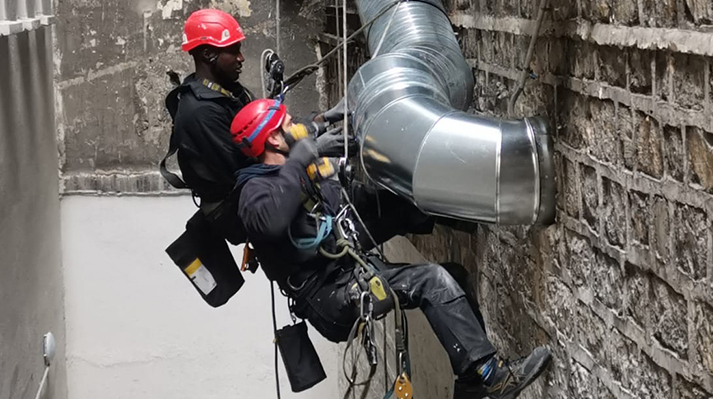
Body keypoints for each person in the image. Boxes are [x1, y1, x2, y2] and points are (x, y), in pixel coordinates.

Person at [230, 98, 553, 399]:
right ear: (273, 139)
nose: (297, 130)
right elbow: (272, 220)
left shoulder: (287, 167)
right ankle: (491, 377)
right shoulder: (254, 191)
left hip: (348, 273)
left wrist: (329, 122)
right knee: (431, 280)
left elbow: (305, 136)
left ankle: (470, 382)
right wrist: (303, 158)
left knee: (452, 276)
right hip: (330, 300)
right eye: (288, 124)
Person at [163, 9, 345, 215]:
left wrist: (322, 120)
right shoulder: (200, 113)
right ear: (208, 54)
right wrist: (311, 149)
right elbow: (250, 166)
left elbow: (270, 130)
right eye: (233, 50)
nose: (241, 58)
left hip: (261, 187)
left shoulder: (228, 91)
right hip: (241, 205)